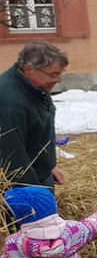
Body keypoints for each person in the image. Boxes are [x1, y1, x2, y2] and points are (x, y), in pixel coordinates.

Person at [0, 41, 69, 187]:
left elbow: (36, 135)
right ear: (29, 69)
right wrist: (36, 194)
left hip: (40, 174)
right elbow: (12, 159)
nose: (58, 80)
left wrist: (49, 165)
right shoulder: (10, 104)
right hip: (23, 188)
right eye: (53, 74)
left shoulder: (36, 88)